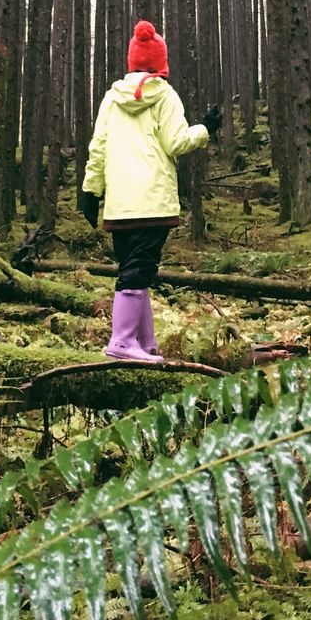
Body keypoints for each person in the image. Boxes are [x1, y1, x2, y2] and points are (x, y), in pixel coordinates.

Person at [80, 19, 222, 363]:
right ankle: (122, 342)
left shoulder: (112, 99)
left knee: (135, 268)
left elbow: (98, 147)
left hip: (119, 205)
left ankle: (144, 342)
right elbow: (177, 142)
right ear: (160, 63)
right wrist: (205, 128)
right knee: (138, 269)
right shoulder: (165, 95)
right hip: (152, 202)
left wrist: (90, 190)